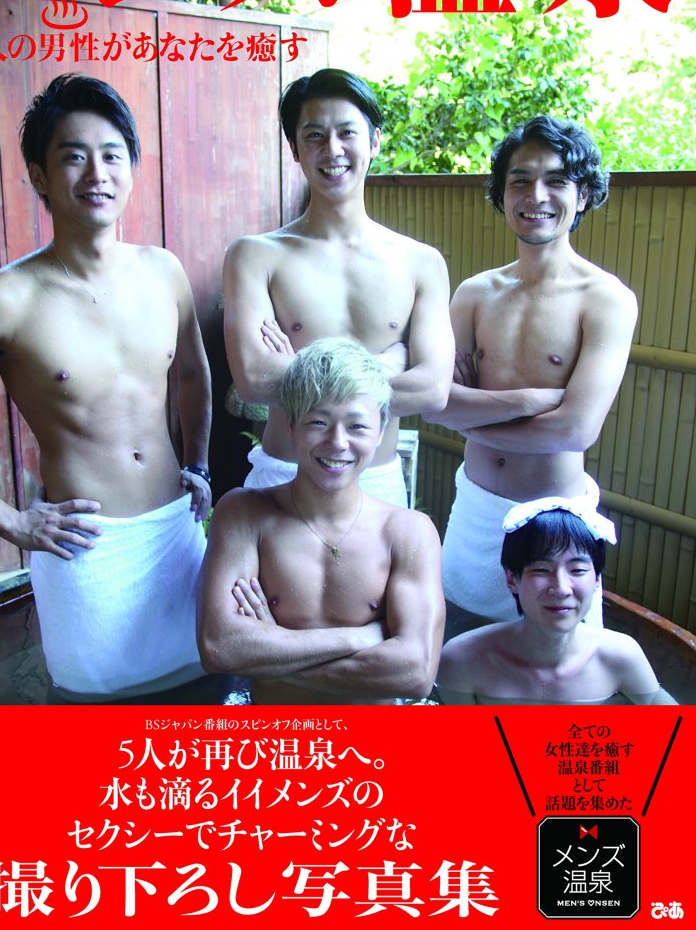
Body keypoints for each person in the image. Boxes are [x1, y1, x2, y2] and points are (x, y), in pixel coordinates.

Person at [0, 74, 212, 701]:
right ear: (39, 176)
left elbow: (193, 374)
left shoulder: (163, 271)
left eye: (112, 154)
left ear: (132, 168)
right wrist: (14, 524)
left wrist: (198, 463)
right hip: (86, 551)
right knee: (92, 716)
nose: (97, 173)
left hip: (176, 532)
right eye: (74, 156)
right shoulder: (2, 299)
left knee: (203, 697)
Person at [425, 116, 638, 633]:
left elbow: (575, 430)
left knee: (557, 667)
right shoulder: (475, 294)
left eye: (556, 180)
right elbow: (434, 399)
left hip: (553, 518)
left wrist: (464, 416)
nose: (535, 195)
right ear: (502, 194)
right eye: (519, 180)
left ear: (582, 196)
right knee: (457, 647)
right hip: (474, 507)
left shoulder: (606, 299)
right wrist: (528, 400)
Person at [223, 68, 454, 508]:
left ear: (375, 141)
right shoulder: (254, 256)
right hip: (283, 476)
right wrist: (387, 363)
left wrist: (297, 369)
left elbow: (432, 390)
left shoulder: (420, 263)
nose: (332, 150)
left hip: (378, 483)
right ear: (295, 149)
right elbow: (254, 381)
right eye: (314, 135)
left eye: (347, 132)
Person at [197, 338, 445, 705]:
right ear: (291, 426)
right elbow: (219, 646)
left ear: (380, 432)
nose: (338, 442)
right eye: (319, 422)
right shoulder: (245, 515)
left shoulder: (408, 532)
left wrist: (270, 652)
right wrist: (358, 637)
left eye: (357, 426)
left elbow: (415, 671)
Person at [437, 498, 677, 705]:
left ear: (596, 580)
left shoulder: (620, 657)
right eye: (542, 570)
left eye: (577, 570)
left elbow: (679, 733)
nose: (561, 588)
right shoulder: (463, 661)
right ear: (512, 579)